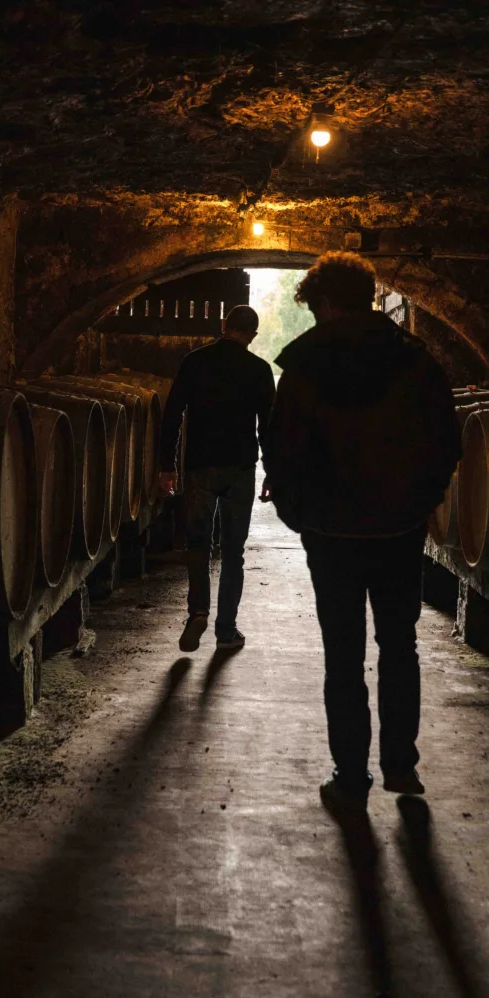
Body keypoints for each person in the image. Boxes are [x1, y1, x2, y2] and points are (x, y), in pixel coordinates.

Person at [263, 252, 461, 813]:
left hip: (331, 534)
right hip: (398, 531)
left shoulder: (304, 367)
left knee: (343, 654)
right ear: (370, 295)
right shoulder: (416, 360)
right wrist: (418, 506)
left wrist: (301, 516)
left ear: (326, 302)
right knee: (400, 645)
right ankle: (401, 766)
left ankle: (351, 773)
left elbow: (281, 451)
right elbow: (445, 443)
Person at [159, 304, 276, 652]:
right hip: (240, 469)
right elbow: (268, 427)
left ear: (223, 325)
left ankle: (198, 610)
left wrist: (167, 464)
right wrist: (272, 470)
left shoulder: (194, 361)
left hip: (200, 468)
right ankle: (226, 629)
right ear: (253, 335)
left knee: (198, 544)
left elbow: (172, 414)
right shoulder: (259, 369)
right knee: (233, 552)